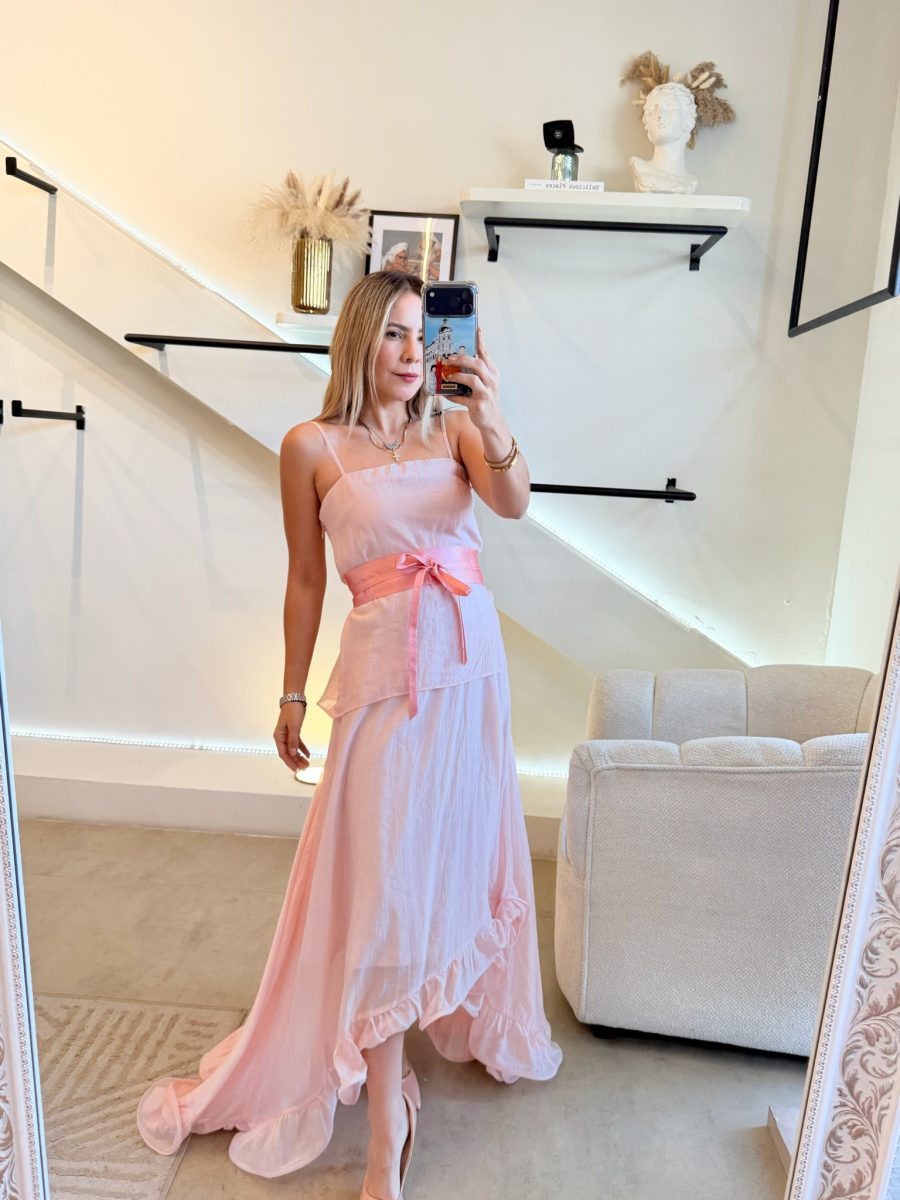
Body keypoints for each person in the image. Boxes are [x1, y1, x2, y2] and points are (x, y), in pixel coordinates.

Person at [135, 270, 563, 1199]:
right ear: (360, 339)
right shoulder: (310, 445)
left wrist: (491, 414)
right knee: (381, 888)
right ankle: (385, 1121)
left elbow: (515, 503)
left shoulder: (456, 429)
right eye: (395, 334)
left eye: (423, 335)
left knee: (446, 865)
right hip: (380, 679)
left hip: (467, 673)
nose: (413, 354)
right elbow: (305, 579)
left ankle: (398, 1077)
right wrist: (291, 693)